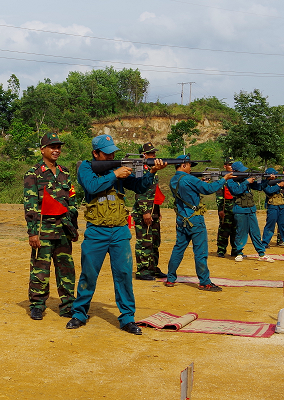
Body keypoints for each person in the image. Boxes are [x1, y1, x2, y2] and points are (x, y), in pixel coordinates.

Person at [67, 135, 163, 335]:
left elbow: (139, 186)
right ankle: (79, 313)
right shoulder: (85, 167)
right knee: (89, 273)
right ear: (95, 153)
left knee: (124, 274)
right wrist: (115, 174)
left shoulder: (116, 169)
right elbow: (92, 186)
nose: (111, 155)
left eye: (113, 152)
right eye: (107, 152)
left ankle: (127, 318)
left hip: (119, 229)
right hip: (96, 229)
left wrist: (151, 172)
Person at [23, 131, 79, 320]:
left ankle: (68, 305)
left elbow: (72, 200)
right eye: (52, 147)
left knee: (66, 270)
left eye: (58, 147)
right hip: (43, 230)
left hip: (63, 230)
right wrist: (32, 233)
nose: (56, 150)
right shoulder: (33, 174)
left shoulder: (65, 173)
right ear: (42, 150)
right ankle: (37, 305)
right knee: (40, 269)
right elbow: (30, 204)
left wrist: (73, 226)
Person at [165, 155, 234, 292]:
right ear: (184, 165)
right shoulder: (190, 179)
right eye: (190, 165)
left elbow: (188, 189)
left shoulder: (174, 179)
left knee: (178, 248)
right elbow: (208, 189)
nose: (191, 168)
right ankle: (204, 282)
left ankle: (170, 278)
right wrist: (223, 179)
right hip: (195, 220)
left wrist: (201, 181)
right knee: (200, 252)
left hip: (181, 219)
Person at [227, 161, 274, 263]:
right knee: (241, 233)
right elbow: (236, 191)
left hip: (250, 209)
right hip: (240, 210)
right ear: (235, 171)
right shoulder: (230, 181)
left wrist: (266, 180)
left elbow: (259, 187)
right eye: (241, 171)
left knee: (255, 232)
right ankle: (239, 253)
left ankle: (261, 253)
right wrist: (246, 182)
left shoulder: (244, 180)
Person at [133, 142, 166, 280]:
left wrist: (156, 211)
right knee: (144, 241)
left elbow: (153, 192)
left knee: (154, 241)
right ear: (144, 155)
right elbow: (140, 192)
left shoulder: (152, 169)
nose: (154, 155)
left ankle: (152, 267)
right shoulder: (140, 169)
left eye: (154, 153)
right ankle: (143, 270)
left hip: (153, 211)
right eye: (151, 153)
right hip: (144, 212)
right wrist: (146, 212)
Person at [260, 168, 284, 250]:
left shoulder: (277, 182)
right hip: (272, 206)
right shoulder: (265, 183)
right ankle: (264, 243)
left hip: (281, 205)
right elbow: (269, 191)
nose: (276, 176)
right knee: (270, 225)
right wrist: (279, 185)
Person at [214, 157, 237, 257]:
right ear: (225, 166)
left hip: (236, 207)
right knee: (224, 229)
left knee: (235, 229)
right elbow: (219, 195)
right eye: (229, 165)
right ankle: (221, 250)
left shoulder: (237, 177)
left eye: (233, 165)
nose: (231, 167)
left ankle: (235, 250)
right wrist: (220, 209)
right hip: (225, 207)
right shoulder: (221, 178)